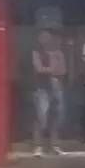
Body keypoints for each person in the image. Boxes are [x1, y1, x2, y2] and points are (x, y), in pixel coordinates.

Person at [30, 29, 67, 157]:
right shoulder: (36, 53)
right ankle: (38, 146)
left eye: (48, 37)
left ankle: (54, 145)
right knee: (41, 118)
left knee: (56, 117)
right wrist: (51, 69)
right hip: (42, 88)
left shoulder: (58, 53)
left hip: (57, 87)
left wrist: (51, 69)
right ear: (39, 39)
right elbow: (39, 68)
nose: (46, 39)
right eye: (43, 37)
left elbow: (62, 70)